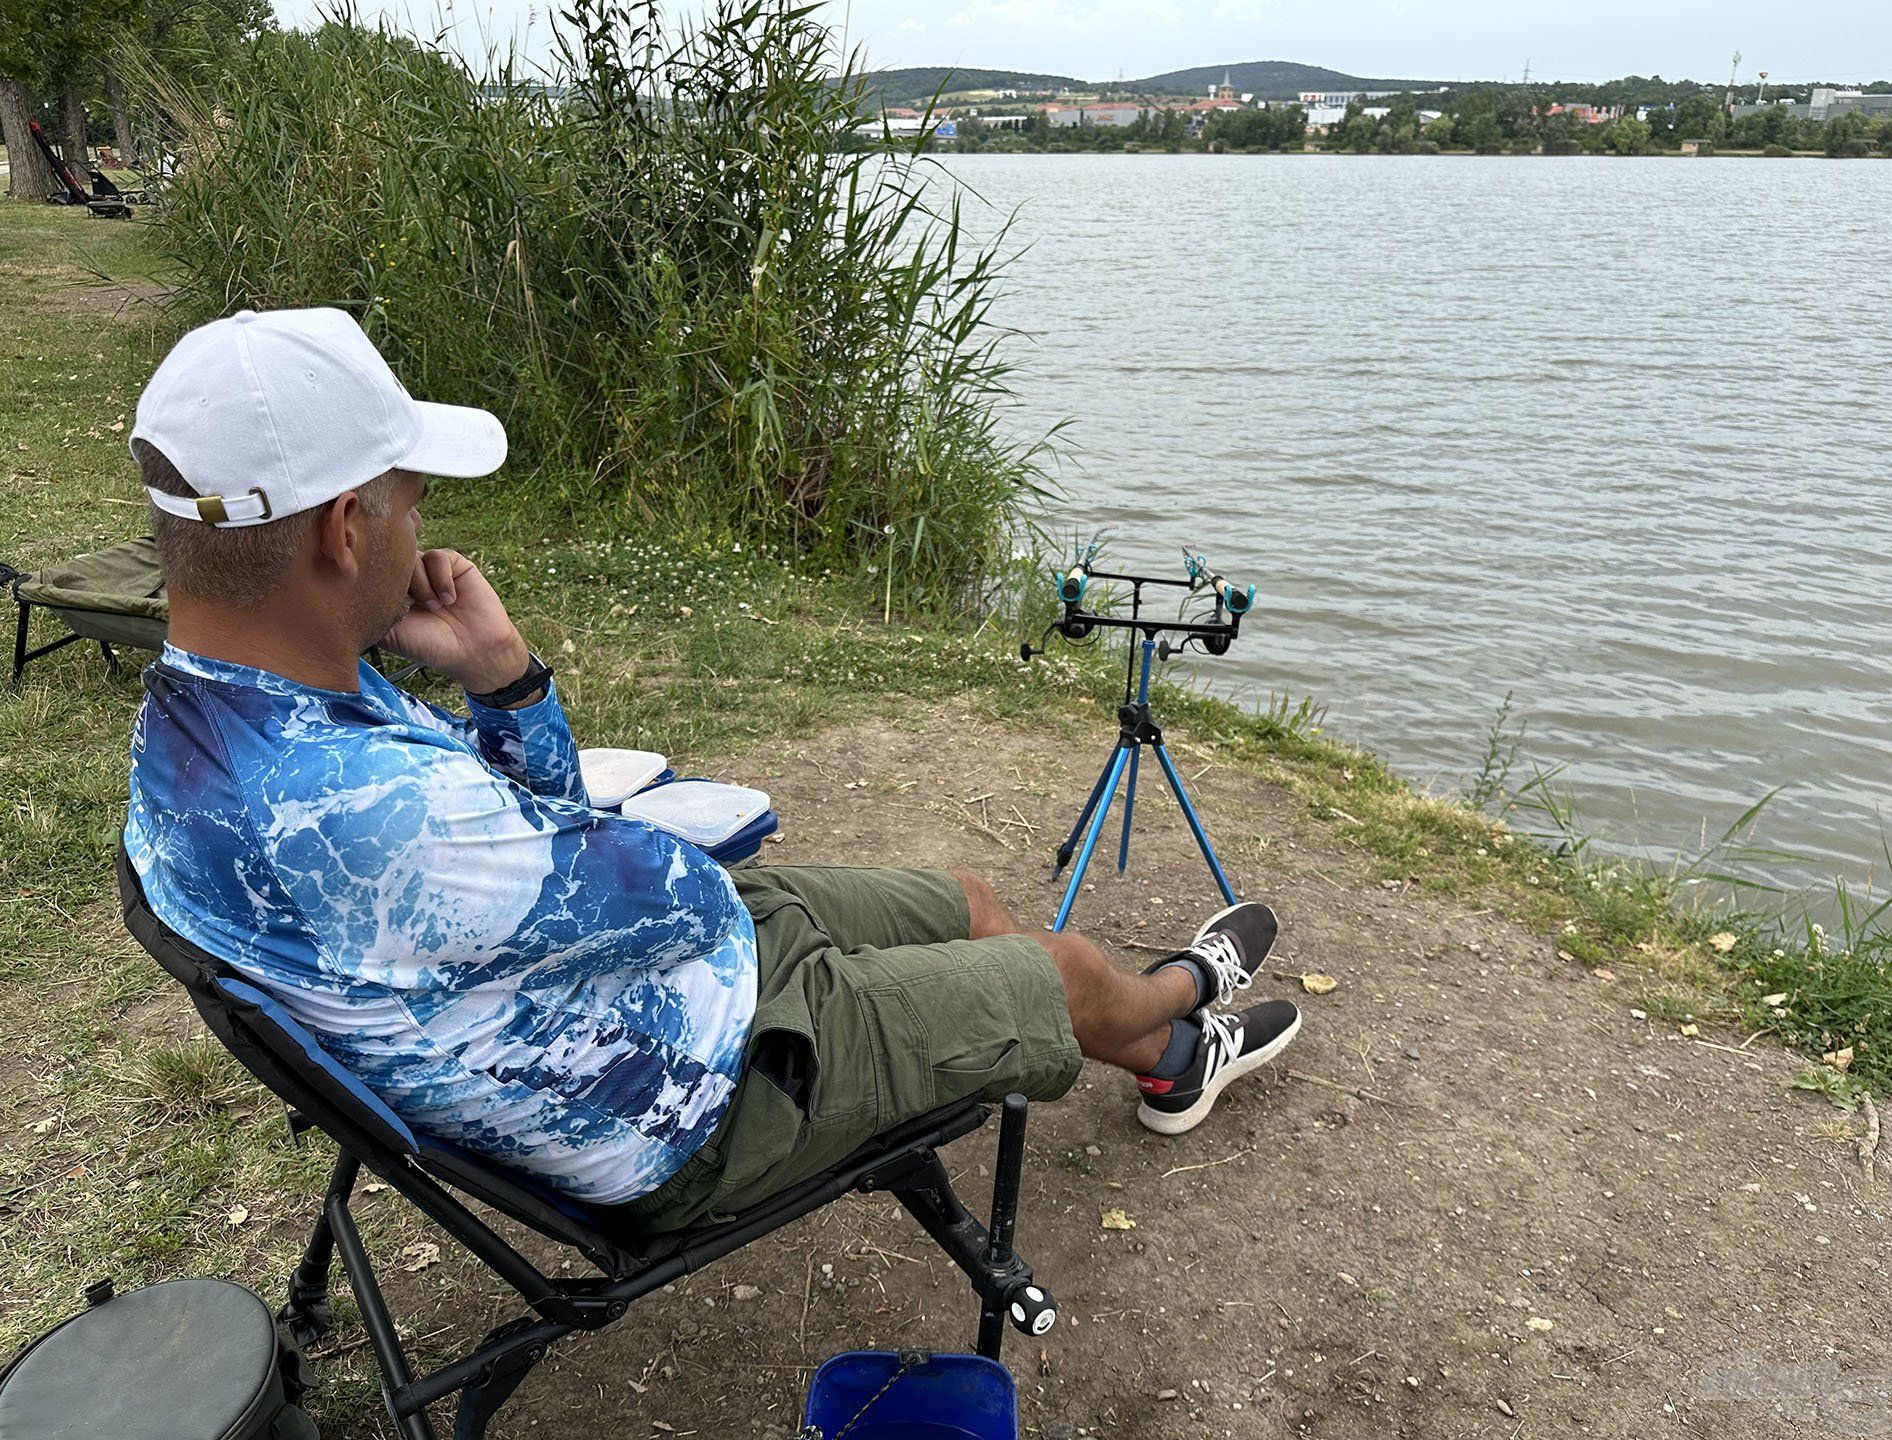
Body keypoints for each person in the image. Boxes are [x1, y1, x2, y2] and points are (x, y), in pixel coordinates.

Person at [122, 307, 1303, 1230]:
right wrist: (526, 709)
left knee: (965, 905)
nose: (423, 527)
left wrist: (501, 680)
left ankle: (1165, 1045)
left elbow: (560, 867)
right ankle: (1185, 1017)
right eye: (413, 500)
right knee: (1053, 969)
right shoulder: (379, 813)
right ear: (344, 529)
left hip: (601, 990)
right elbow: (670, 888)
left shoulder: (206, 721)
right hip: (687, 1098)